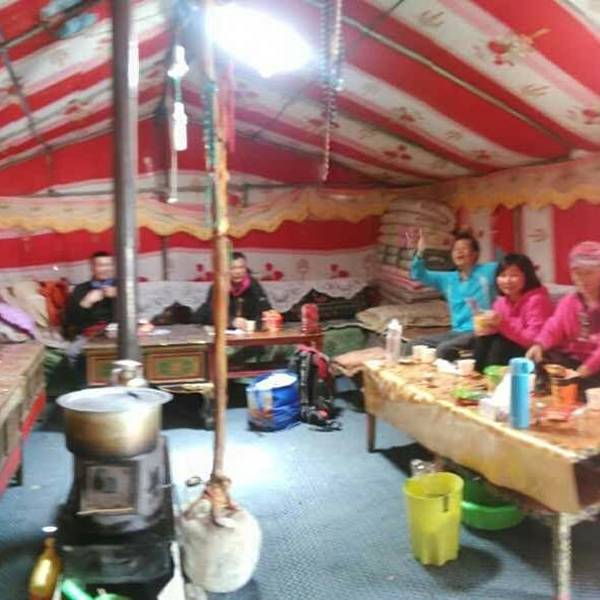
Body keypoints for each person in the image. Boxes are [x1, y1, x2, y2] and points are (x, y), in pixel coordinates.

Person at [410, 230, 497, 361]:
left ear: (475, 254)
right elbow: (419, 274)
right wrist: (420, 252)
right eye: (456, 249)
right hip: (456, 332)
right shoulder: (448, 279)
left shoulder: (488, 271)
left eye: (464, 248)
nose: (459, 252)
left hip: (478, 331)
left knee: (444, 349)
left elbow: (510, 267)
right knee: (414, 344)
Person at [526, 241, 600, 392]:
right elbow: (554, 326)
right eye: (577, 273)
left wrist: (585, 370)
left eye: (589, 273)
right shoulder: (569, 302)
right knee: (543, 360)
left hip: (594, 365)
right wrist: (539, 345)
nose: (582, 279)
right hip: (574, 361)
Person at [473, 254, 553, 372]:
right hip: (508, 349)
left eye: (514, 275)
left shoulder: (538, 300)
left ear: (527, 276)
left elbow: (534, 341)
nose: (507, 281)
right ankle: (475, 376)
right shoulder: (500, 301)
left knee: (500, 344)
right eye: (503, 275)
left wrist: (502, 324)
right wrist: (486, 328)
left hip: (533, 352)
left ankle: (491, 379)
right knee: (483, 339)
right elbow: (499, 331)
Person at [193, 252, 271, 331]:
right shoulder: (219, 286)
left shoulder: (253, 285)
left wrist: (258, 324)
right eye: (232, 268)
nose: (238, 272)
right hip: (224, 329)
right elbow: (209, 313)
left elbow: (265, 309)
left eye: (241, 267)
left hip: (246, 331)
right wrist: (231, 321)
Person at [63, 251, 116, 340]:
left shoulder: (122, 287)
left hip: (119, 335)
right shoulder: (80, 289)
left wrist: (119, 297)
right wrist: (86, 302)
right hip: (89, 336)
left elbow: (135, 315)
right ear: (92, 267)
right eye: (101, 265)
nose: (106, 269)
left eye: (109, 265)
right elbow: (70, 322)